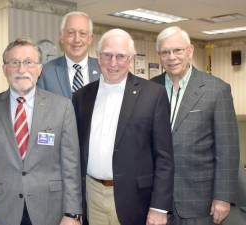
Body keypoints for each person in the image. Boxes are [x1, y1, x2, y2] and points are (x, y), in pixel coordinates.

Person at [0, 38, 82, 225]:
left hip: (50, 210)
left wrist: (72, 214)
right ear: (5, 69)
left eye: (29, 62)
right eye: (14, 63)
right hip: (2, 212)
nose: (22, 70)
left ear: (40, 69)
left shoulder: (62, 107)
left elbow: (71, 166)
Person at [72, 28, 174, 225]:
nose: (113, 63)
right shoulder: (81, 96)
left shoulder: (153, 94)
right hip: (91, 195)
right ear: (98, 56)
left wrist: (159, 207)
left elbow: (164, 157)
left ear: (131, 58)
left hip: (136, 199)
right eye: (107, 55)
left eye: (120, 56)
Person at [151, 26, 239, 225]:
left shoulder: (216, 90)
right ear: (159, 56)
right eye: (165, 52)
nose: (171, 57)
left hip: (199, 200)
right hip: (156, 200)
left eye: (177, 50)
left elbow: (228, 150)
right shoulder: (150, 88)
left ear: (189, 51)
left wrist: (223, 197)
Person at [37, 11, 101, 98]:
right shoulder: (45, 72)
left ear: (90, 39)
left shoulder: (104, 69)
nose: (77, 40)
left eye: (82, 33)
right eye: (71, 33)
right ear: (61, 37)